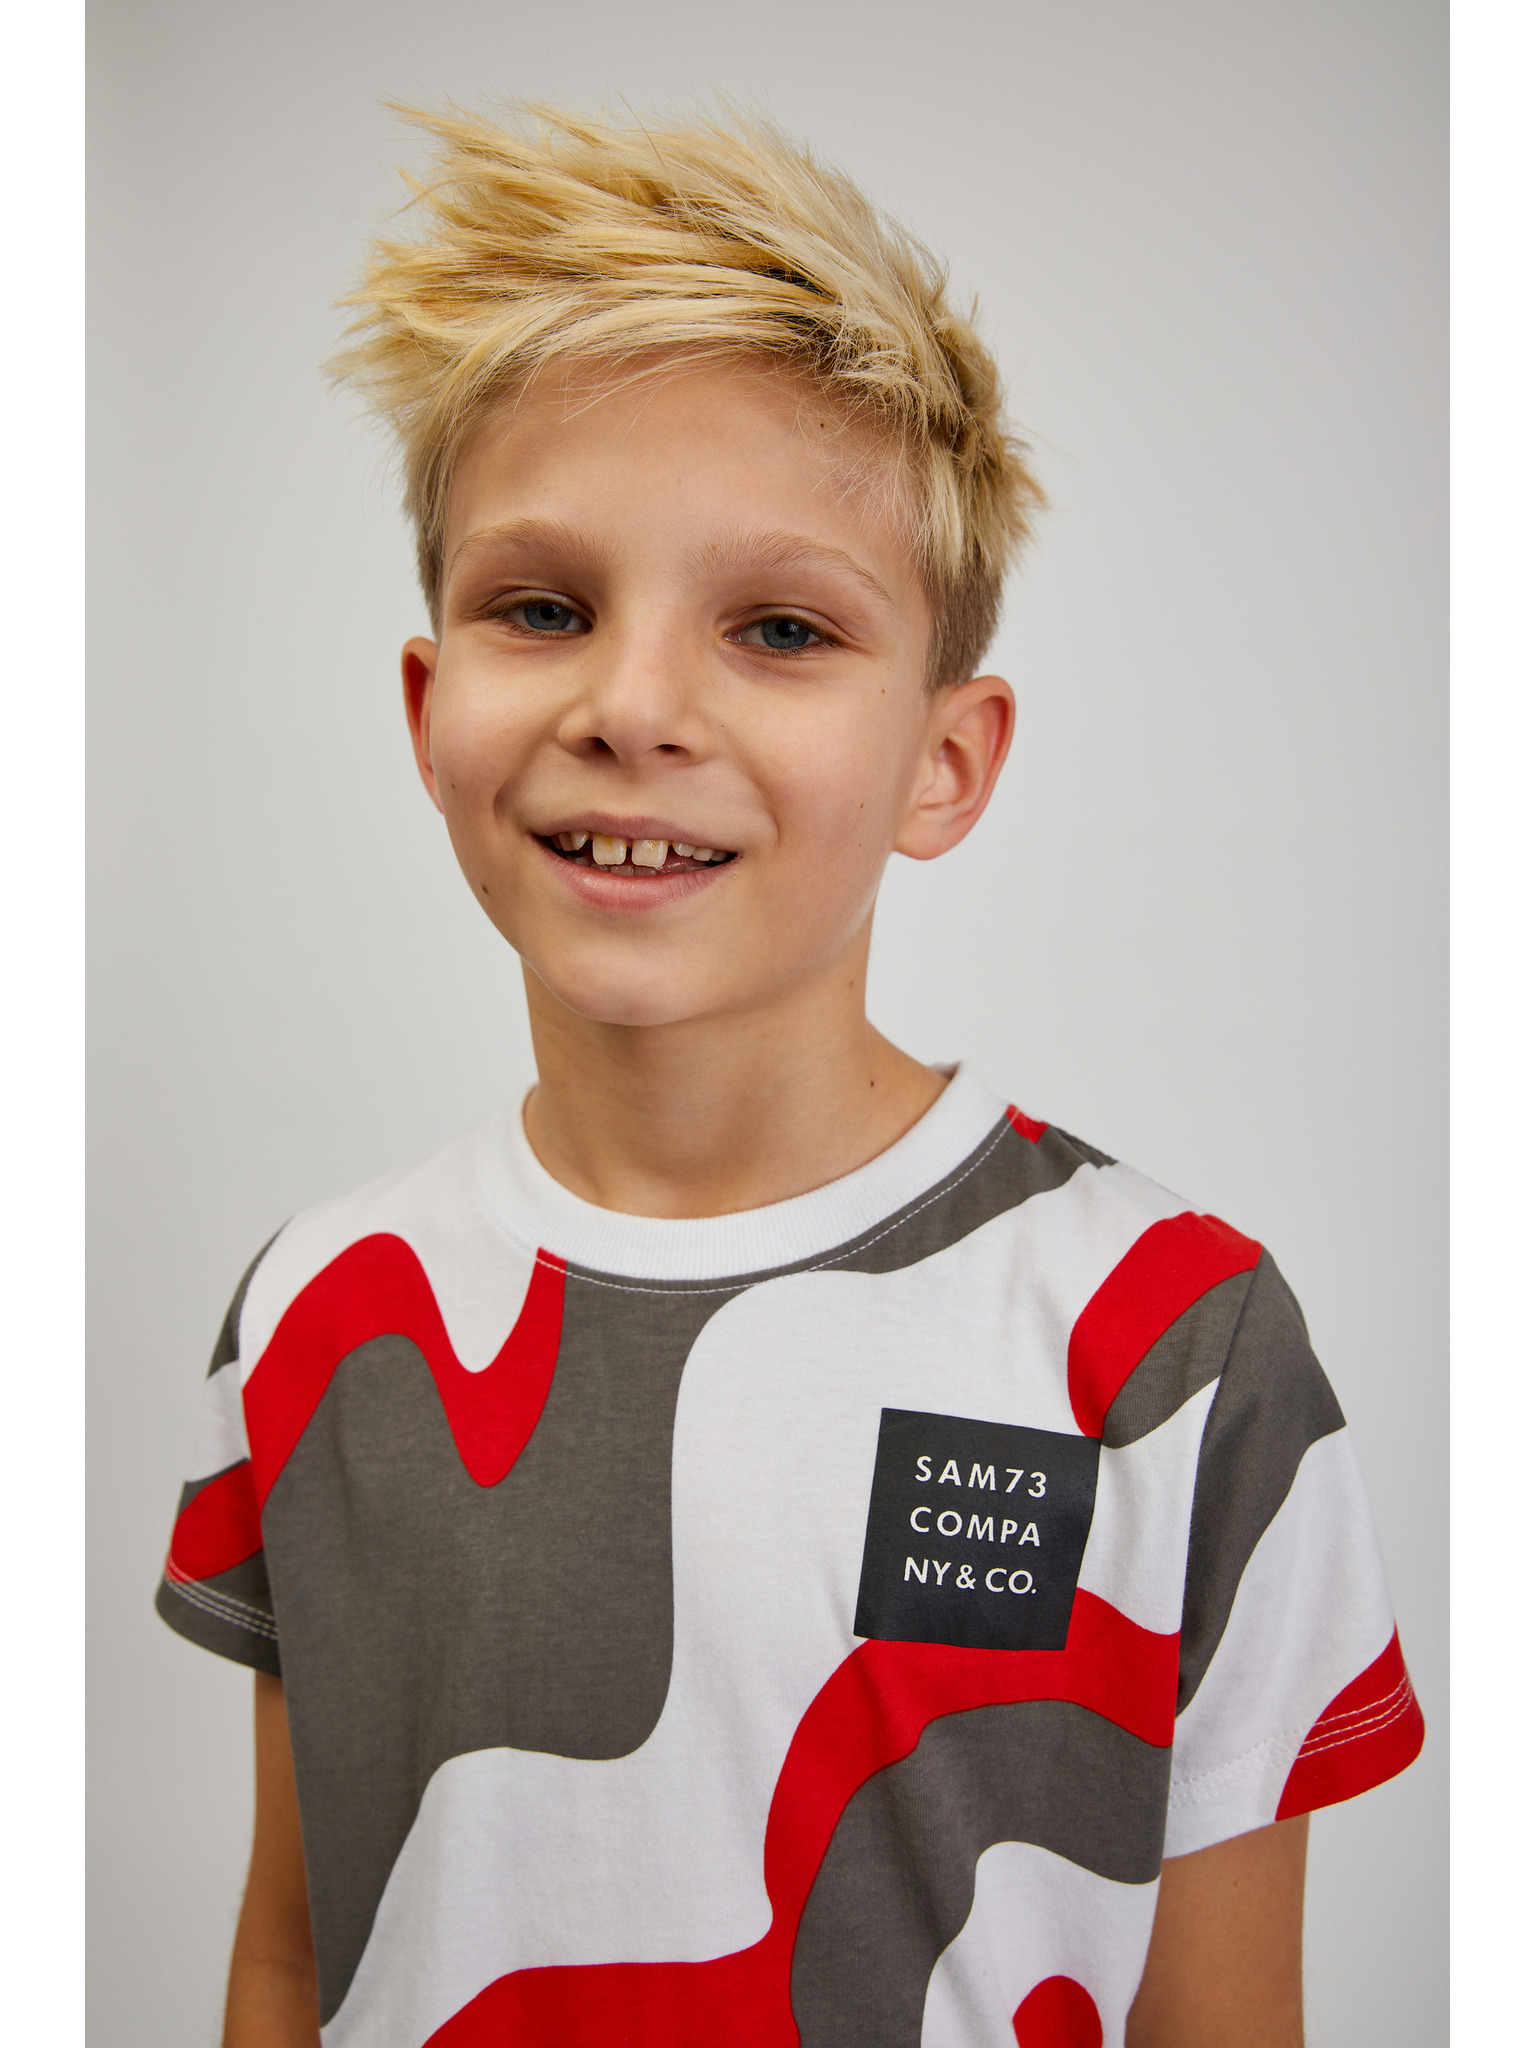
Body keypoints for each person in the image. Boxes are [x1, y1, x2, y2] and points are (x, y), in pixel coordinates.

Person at [155, 100, 1423, 2048]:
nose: (634, 706)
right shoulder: (318, 1311)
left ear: (945, 758)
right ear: (428, 709)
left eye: (779, 627)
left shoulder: (1173, 1343)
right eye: (543, 606)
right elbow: (296, 1955)